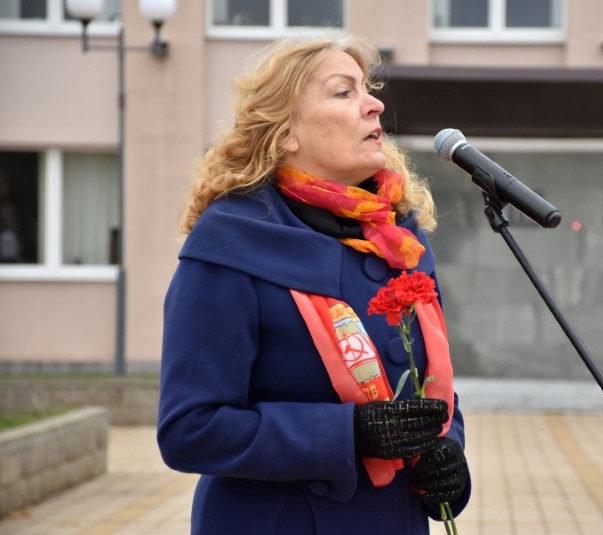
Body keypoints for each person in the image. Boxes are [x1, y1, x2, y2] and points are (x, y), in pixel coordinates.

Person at [157, 34, 471, 534]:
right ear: (286, 133)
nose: (374, 105)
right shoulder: (230, 243)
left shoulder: (399, 238)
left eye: (367, 89)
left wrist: (448, 456)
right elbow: (190, 429)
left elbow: (431, 385)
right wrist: (346, 434)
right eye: (344, 92)